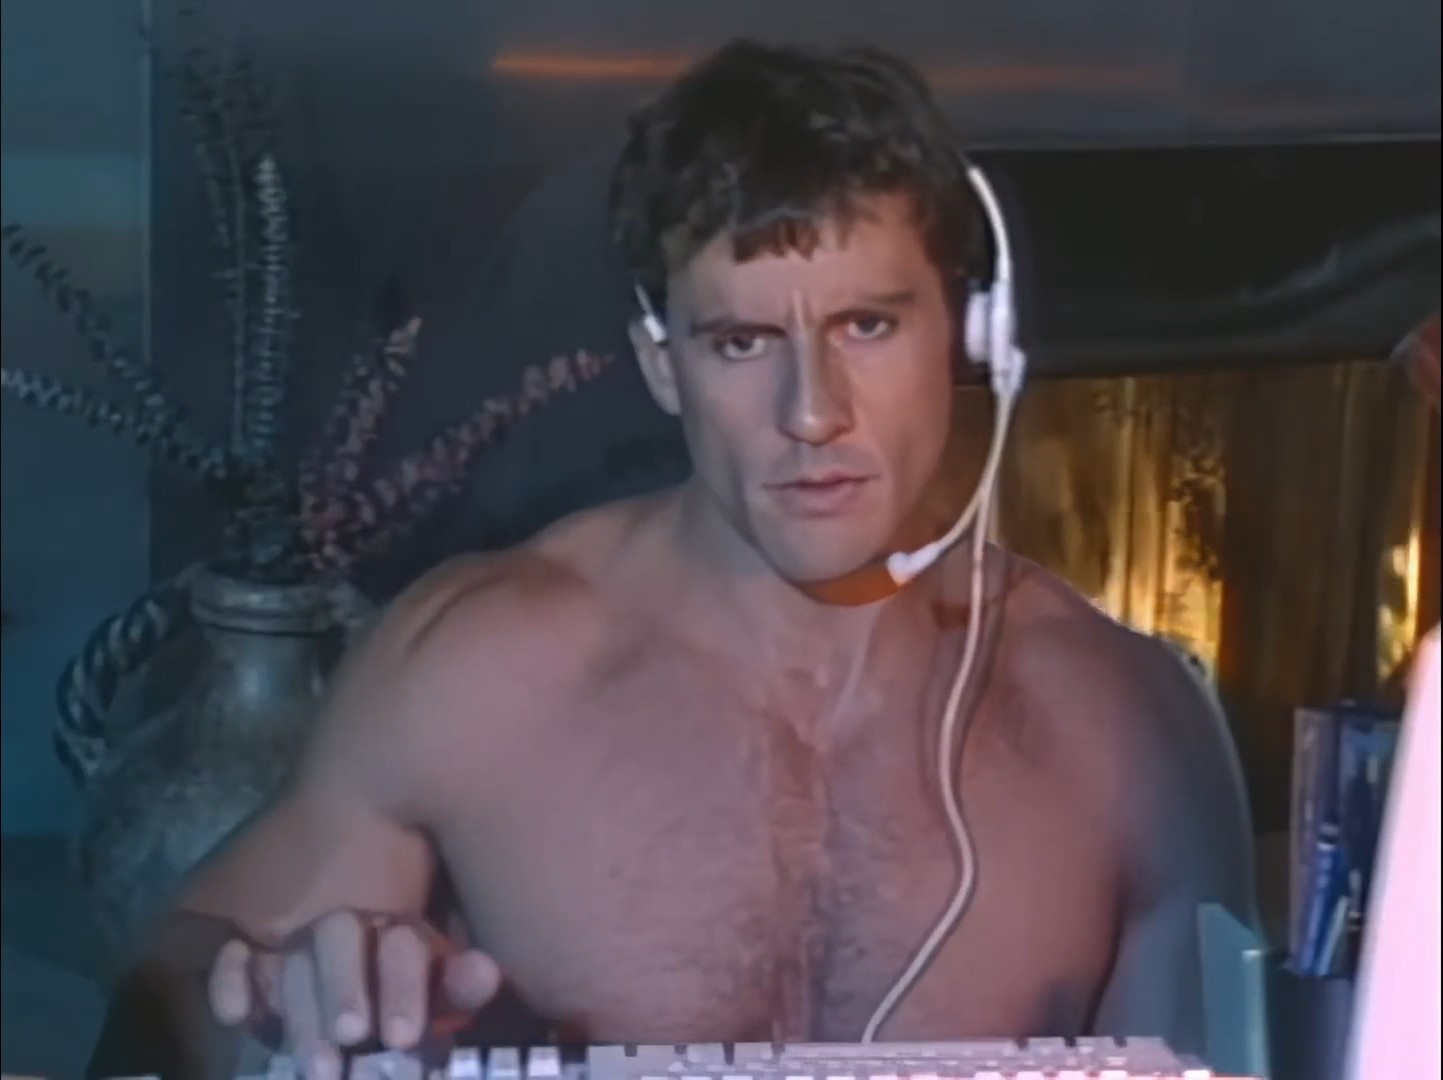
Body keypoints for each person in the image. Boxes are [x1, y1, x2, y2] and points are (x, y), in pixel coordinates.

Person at [90, 40, 1257, 1080]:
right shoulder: (486, 664)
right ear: (663, 367)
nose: (813, 412)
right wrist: (282, 1001)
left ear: (962, 331)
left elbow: (1221, 1061)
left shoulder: (1124, 724)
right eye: (742, 342)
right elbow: (168, 987)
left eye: (867, 325)